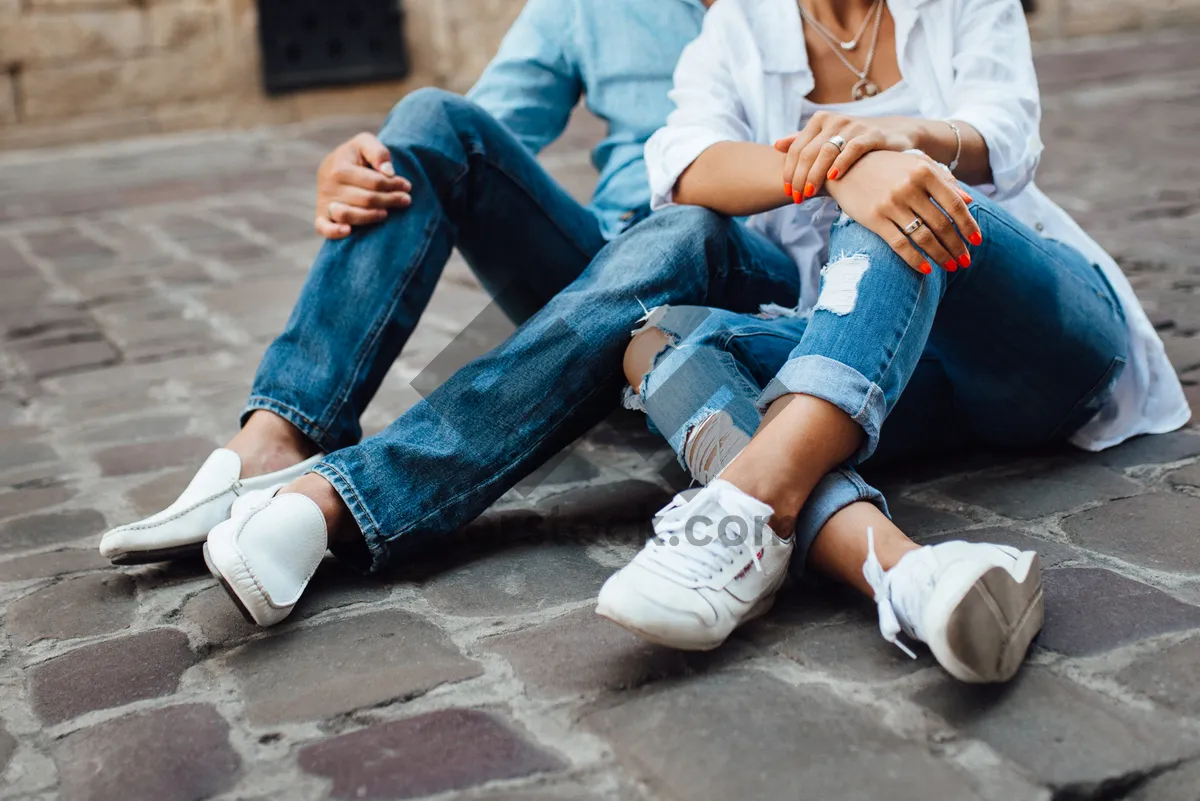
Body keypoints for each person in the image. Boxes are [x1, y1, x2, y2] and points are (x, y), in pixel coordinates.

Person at [98, 0, 803, 625]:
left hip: (741, 259)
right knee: (428, 119)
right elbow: (477, 132)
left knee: (686, 227)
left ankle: (345, 498)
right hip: (602, 246)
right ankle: (278, 436)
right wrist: (360, 169)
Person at [594, 0, 1190, 683]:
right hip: (890, 373)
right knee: (658, 341)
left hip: (1037, 344)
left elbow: (1008, 131)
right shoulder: (741, 23)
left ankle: (750, 500)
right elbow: (684, 161)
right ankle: (908, 576)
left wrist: (904, 141)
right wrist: (843, 169)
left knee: (907, 197)